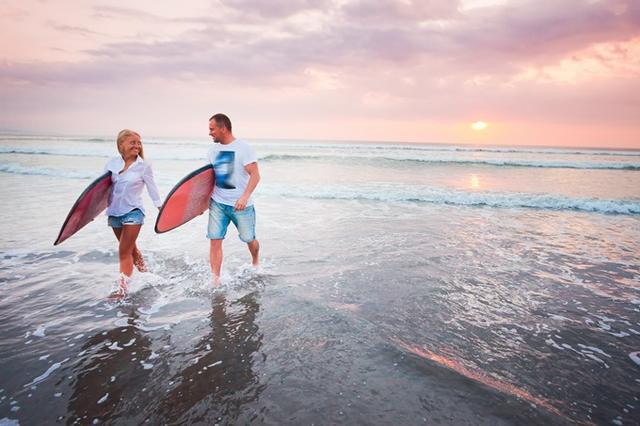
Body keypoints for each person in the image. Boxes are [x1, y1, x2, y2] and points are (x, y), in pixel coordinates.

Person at [104, 129, 162, 296]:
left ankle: (122, 291)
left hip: (133, 212)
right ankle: (146, 275)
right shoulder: (112, 164)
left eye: (139, 142)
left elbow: (152, 188)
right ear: (121, 144)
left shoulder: (143, 166)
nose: (137, 145)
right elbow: (101, 189)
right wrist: (89, 212)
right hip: (114, 213)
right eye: (133, 142)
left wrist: (161, 208)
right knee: (131, 249)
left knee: (123, 252)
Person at [207, 113, 260, 286]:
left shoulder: (243, 148)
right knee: (215, 240)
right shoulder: (212, 150)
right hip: (218, 203)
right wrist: (202, 202)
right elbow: (209, 178)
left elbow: (255, 175)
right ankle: (216, 280)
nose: (210, 133)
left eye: (212, 129)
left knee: (249, 238)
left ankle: (255, 260)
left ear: (223, 128)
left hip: (241, 205)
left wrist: (245, 197)